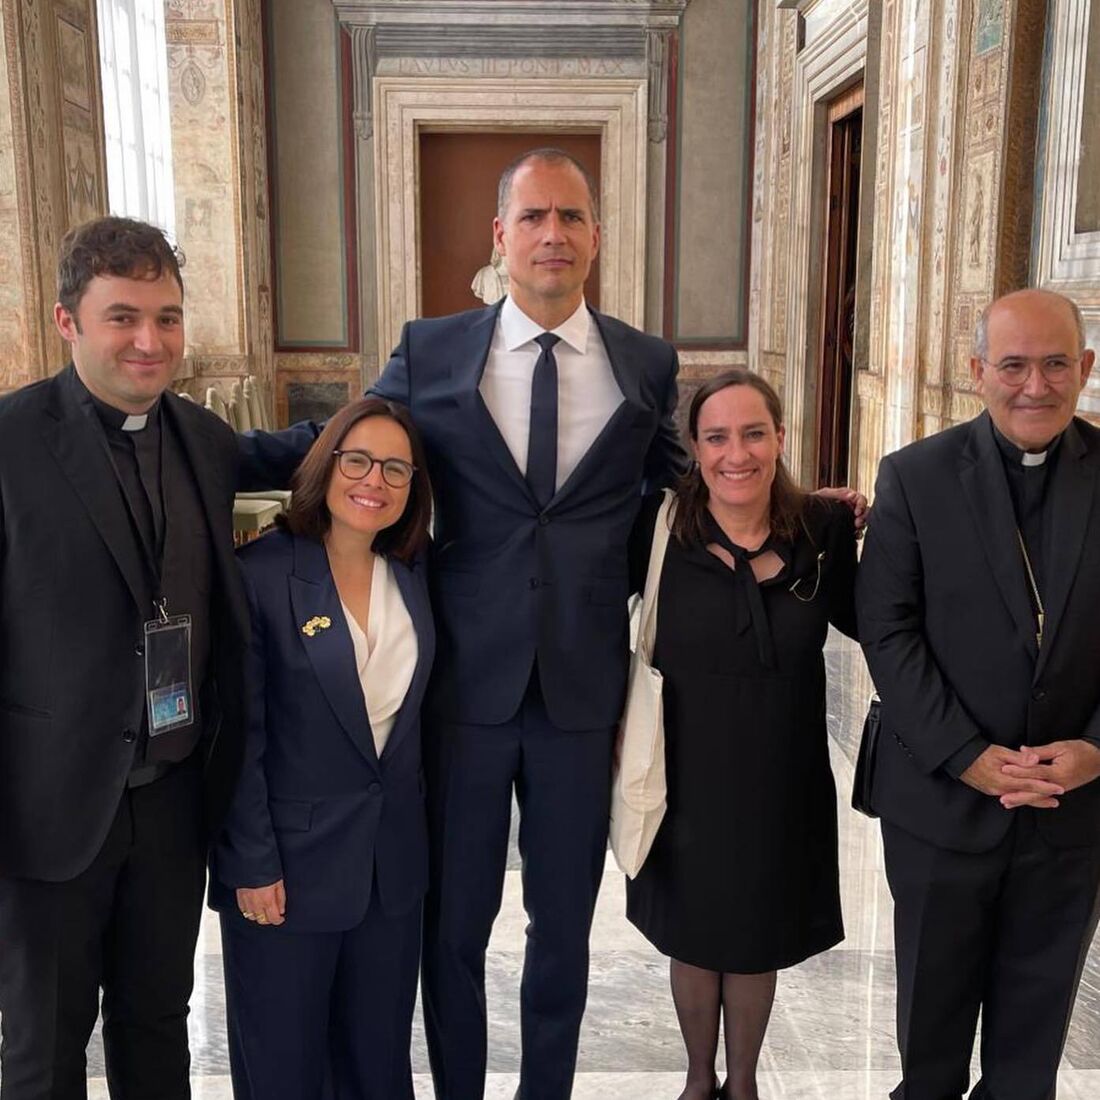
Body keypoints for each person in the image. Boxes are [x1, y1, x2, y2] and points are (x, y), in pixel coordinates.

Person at [237, 147, 865, 1100]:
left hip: (580, 694)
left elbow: (684, 482)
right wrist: (195, 450)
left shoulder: (644, 362)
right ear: (502, 235)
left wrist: (795, 506)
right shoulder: (436, 347)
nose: (552, 235)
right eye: (532, 217)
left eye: (571, 217)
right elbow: (340, 442)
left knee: (562, 929)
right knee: (453, 929)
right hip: (460, 693)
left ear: (596, 238)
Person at [0, 216, 249, 1097]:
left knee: (158, 1029)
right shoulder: (10, 441)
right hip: (49, 811)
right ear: (69, 321)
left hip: (174, 806)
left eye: (168, 317)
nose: (151, 341)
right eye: (123, 317)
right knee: (43, 1050)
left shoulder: (206, 441)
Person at [857, 288, 1100, 1100]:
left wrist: (1095, 750)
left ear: (1086, 368)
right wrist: (966, 755)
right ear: (975, 373)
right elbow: (887, 632)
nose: (1036, 386)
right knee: (929, 1048)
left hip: (1070, 813)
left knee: (1029, 1056)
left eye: (1056, 364)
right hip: (941, 805)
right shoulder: (916, 477)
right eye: (1014, 365)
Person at [627, 370, 857, 1100]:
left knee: (756, 932)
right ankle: (699, 1081)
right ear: (693, 447)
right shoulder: (657, 527)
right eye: (716, 436)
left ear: (781, 437)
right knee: (696, 934)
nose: (737, 454)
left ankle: (746, 1084)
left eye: (754, 433)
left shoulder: (821, 530)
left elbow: (878, 621)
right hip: (684, 770)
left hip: (780, 769)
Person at [209, 397, 435, 1100]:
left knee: (377, 1068)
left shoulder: (412, 576)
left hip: (388, 877)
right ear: (324, 465)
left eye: (396, 468)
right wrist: (250, 864)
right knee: (284, 1072)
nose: (376, 480)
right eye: (358, 459)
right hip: (286, 879)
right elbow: (238, 736)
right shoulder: (263, 576)